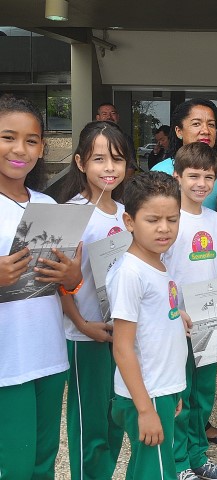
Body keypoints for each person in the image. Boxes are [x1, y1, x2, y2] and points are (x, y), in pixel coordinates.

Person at [0, 94, 82, 478]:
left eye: (31, 140)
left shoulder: (47, 203)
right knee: (13, 463)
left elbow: (68, 281)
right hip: (7, 361)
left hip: (49, 352)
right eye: (8, 137)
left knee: (43, 459)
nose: (20, 149)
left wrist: (70, 277)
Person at [57, 120, 128, 479]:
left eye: (117, 159)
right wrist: (82, 324)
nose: (109, 168)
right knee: (90, 424)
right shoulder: (71, 213)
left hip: (120, 333)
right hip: (85, 335)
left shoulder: (124, 212)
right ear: (80, 162)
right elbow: (56, 281)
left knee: (116, 417)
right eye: (100, 159)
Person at [107, 171, 189, 479]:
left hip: (161, 389)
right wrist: (145, 409)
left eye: (172, 219)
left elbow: (157, 321)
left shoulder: (158, 262)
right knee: (151, 472)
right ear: (129, 222)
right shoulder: (131, 272)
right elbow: (123, 347)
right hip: (146, 393)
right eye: (152, 220)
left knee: (158, 468)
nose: (164, 228)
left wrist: (173, 388)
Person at [162, 142, 217, 480]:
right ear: (176, 176)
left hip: (210, 318)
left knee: (204, 393)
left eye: (209, 176)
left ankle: (198, 456)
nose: (201, 183)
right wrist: (175, 310)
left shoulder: (214, 217)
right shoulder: (167, 218)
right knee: (181, 393)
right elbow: (159, 270)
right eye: (193, 176)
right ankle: (177, 462)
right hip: (177, 320)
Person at [152, 99, 217, 211]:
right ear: (179, 131)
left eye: (211, 124)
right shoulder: (160, 173)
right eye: (196, 124)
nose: (206, 130)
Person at [96, 102, 137, 173]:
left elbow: (130, 167)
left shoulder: (125, 139)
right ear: (98, 118)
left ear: (118, 117)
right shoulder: (91, 138)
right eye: (104, 114)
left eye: (113, 113)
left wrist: (121, 184)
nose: (109, 117)